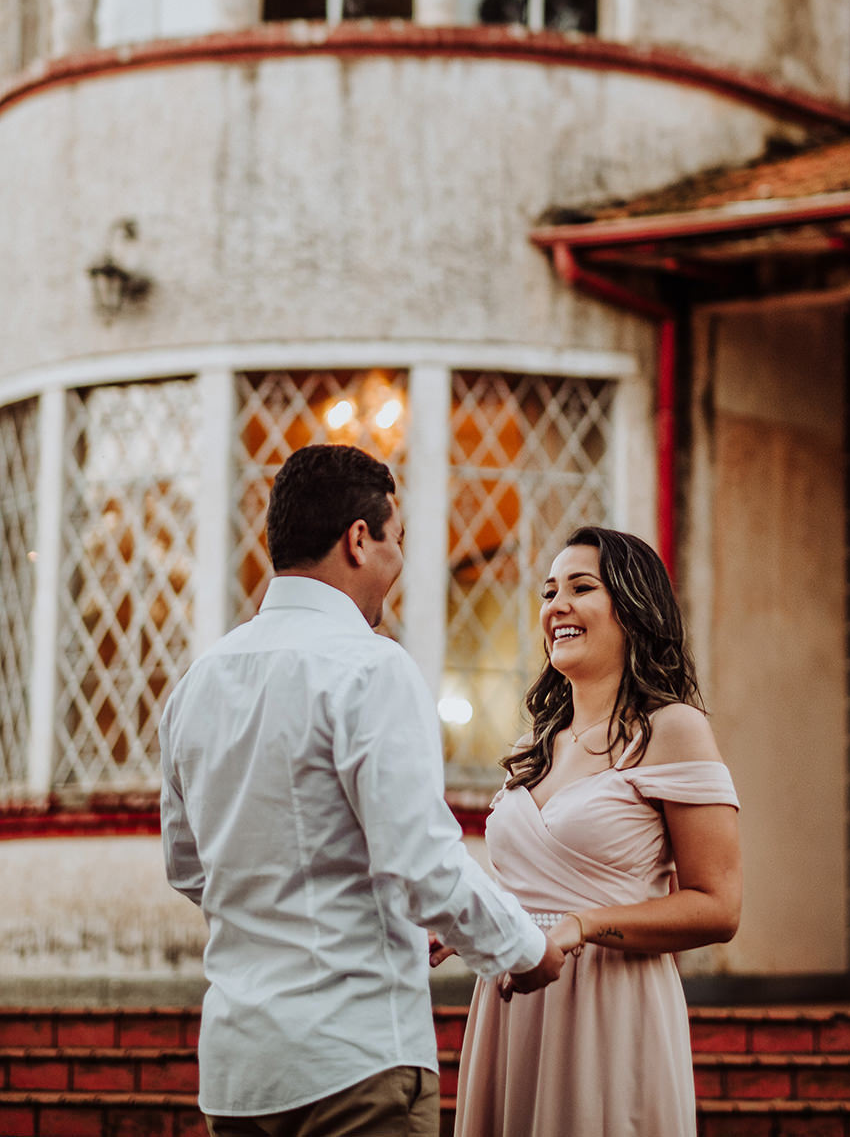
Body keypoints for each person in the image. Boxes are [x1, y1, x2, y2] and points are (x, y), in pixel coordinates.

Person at [160, 443, 564, 1137]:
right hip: (353, 1063)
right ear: (358, 539)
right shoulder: (371, 668)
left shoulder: (199, 682)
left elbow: (189, 868)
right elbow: (422, 864)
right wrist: (526, 950)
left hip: (239, 1073)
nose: (398, 564)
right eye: (397, 541)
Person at [450, 525, 742, 1137]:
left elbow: (717, 907)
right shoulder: (535, 744)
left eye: (581, 588)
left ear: (634, 609)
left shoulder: (672, 730)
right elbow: (529, 885)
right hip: (511, 1001)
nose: (556, 606)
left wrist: (581, 926)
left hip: (612, 1004)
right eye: (548, 591)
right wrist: (472, 923)